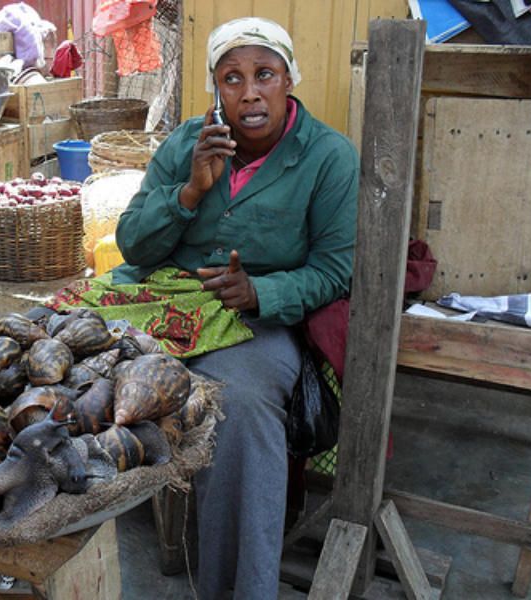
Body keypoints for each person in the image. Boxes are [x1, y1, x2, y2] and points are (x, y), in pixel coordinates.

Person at [110, 17, 360, 600]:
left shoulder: (328, 158)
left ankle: (238, 589)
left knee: (240, 406)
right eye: (231, 79)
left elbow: (334, 270)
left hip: (255, 320)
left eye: (264, 75)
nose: (249, 92)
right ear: (215, 89)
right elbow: (132, 244)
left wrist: (260, 294)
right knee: (62, 348)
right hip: (163, 300)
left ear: (289, 79)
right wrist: (191, 191)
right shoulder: (186, 144)